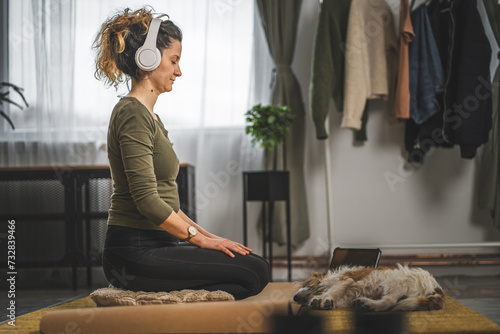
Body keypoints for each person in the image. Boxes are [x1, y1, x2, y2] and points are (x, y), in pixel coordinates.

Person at [92, 7, 270, 300]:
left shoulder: (150, 117)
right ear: (147, 59)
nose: (179, 71)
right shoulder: (131, 114)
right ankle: (163, 300)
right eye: (174, 60)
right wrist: (199, 241)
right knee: (253, 273)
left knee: (257, 265)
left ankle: (173, 295)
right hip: (132, 252)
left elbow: (167, 204)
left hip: (159, 244)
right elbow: (148, 201)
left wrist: (212, 238)